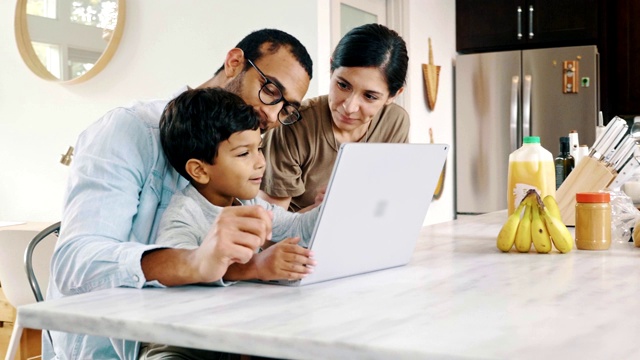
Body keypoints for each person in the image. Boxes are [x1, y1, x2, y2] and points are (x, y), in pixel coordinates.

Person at [46, 28, 313, 359]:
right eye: (270, 90)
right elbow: (75, 263)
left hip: (208, 335)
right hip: (116, 349)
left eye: (286, 108)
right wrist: (195, 261)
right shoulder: (128, 131)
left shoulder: (239, 150)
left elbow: (277, 225)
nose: (272, 115)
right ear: (234, 62)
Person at [140, 87, 319, 358]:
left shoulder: (249, 203)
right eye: (243, 153)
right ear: (199, 170)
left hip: (231, 336)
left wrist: (332, 205)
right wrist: (256, 266)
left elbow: (296, 228)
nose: (260, 163)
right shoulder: (184, 213)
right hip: (183, 343)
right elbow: (183, 270)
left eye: (258, 148)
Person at [260, 23, 410, 212]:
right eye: (343, 85)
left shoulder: (395, 122)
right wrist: (325, 209)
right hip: (297, 238)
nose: (349, 107)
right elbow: (271, 233)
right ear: (332, 69)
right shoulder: (293, 123)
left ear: (394, 95)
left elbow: (386, 204)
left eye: (370, 96)